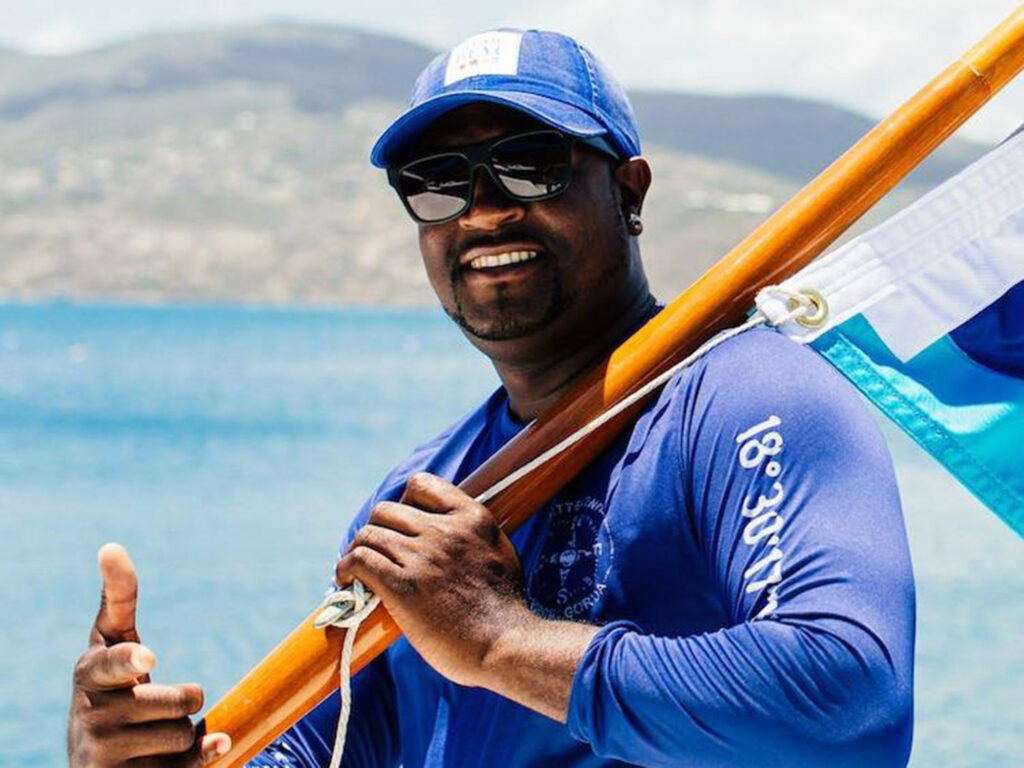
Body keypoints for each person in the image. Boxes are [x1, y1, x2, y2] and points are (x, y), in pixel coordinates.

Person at [67, 29, 915, 768]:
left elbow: (849, 704)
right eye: (436, 183)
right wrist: (143, 756)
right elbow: (324, 750)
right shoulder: (423, 497)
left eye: (529, 167)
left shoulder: (748, 395)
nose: (480, 212)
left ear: (628, 192)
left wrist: (498, 639)